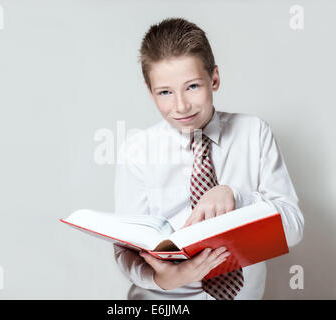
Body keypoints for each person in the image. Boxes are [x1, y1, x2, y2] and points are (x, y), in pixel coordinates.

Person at [113, 17, 304, 300]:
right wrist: (163, 278)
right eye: (165, 92)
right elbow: (125, 249)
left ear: (214, 78)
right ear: (150, 92)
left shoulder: (254, 133)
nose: (181, 106)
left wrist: (237, 198)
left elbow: (293, 229)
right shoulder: (137, 151)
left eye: (192, 86)